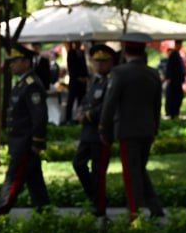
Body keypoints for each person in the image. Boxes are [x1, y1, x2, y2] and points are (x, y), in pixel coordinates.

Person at [100, 41, 165, 220]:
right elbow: (157, 104)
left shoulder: (119, 73)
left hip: (127, 130)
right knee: (139, 169)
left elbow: (110, 103)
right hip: (147, 129)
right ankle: (154, 206)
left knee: (131, 172)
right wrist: (155, 128)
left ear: (125, 51)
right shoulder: (153, 73)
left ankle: (134, 211)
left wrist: (104, 128)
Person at [0, 42, 50, 215]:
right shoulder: (22, 84)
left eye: (15, 61)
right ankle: (46, 212)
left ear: (26, 62)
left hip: (25, 143)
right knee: (34, 180)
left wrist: (37, 141)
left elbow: (39, 116)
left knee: (14, 177)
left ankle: (0, 211)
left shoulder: (31, 84)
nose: (11, 65)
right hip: (20, 141)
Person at [72, 43, 116, 217]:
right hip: (87, 133)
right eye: (96, 61)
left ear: (111, 63)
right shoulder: (95, 81)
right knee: (78, 164)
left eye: (103, 62)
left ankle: (99, 206)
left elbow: (108, 105)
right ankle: (95, 197)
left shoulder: (111, 82)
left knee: (98, 171)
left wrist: (88, 115)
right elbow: (86, 101)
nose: (99, 65)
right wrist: (80, 111)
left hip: (100, 133)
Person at [64, 40, 89, 125]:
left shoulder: (82, 53)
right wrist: (78, 77)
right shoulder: (71, 53)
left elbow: (84, 66)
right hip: (74, 82)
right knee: (71, 100)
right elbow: (71, 68)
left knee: (81, 100)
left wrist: (85, 77)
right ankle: (68, 118)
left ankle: (79, 118)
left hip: (82, 82)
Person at [163, 39, 186, 119]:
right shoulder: (173, 54)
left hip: (177, 81)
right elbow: (169, 68)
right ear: (176, 45)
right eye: (179, 44)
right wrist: (168, 77)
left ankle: (175, 113)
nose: (180, 46)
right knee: (174, 98)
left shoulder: (177, 54)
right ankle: (172, 113)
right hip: (174, 81)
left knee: (177, 97)